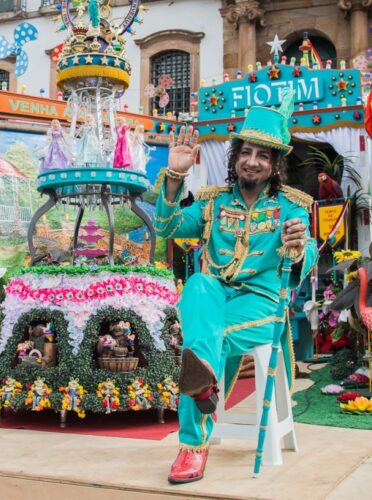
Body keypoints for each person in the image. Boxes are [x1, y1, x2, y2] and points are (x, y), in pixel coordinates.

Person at [153, 89, 318, 484]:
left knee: (201, 343)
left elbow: (306, 252)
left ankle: (192, 445)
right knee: (197, 285)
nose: (252, 161)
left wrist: (297, 248)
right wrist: (175, 176)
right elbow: (168, 227)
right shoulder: (212, 202)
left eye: (263, 155)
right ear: (235, 156)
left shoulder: (291, 207)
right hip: (216, 299)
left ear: (275, 163)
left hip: (262, 305)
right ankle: (202, 390)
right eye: (245, 152)